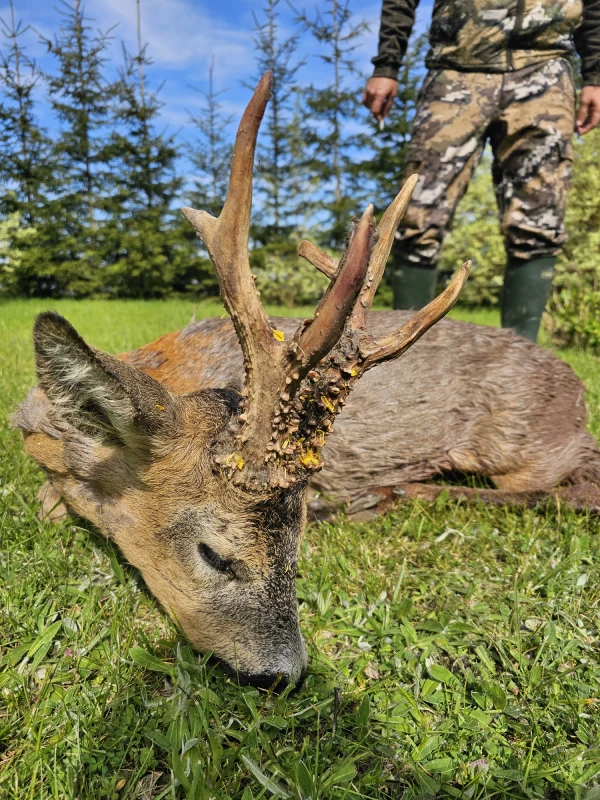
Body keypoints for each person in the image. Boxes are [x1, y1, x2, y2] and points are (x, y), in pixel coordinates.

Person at [363, 0, 600, 341]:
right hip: (456, 68)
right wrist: (387, 65)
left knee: (540, 221)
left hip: (546, 66)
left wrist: (594, 74)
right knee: (416, 217)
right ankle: (403, 360)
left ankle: (519, 367)